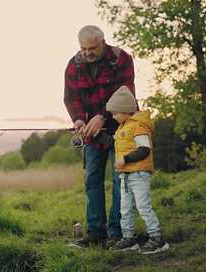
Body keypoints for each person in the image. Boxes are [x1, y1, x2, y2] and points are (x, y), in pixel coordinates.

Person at [64, 25, 136, 247]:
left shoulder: (120, 59)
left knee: (119, 180)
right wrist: (78, 119)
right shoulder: (73, 66)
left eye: (92, 48)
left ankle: (117, 233)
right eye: (83, 48)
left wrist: (102, 116)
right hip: (91, 134)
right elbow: (71, 97)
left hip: (121, 128)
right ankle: (96, 234)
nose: (87, 52)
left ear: (103, 42)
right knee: (92, 180)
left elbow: (126, 93)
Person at [105, 86, 170, 254]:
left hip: (139, 174)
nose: (112, 117)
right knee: (125, 209)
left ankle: (157, 239)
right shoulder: (122, 128)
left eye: (114, 113)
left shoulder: (139, 127)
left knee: (143, 207)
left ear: (125, 110)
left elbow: (144, 149)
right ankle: (128, 239)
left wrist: (124, 159)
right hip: (125, 176)